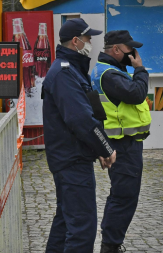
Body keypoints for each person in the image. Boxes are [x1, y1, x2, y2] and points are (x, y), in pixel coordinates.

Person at [42, 18, 117, 253]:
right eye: (88, 38)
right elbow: (81, 120)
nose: (91, 42)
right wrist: (105, 148)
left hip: (71, 158)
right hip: (71, 161)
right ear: (76, 41)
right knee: (82, 228)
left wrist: (97, 149)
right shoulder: (65, 73)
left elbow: (89, 112)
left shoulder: (72, 69)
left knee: (66, 222)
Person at [90, 30, 151, 253]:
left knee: (124, 194)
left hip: (125, 142)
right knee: (124, 195)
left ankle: (111, 243)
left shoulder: (112, 70)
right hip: (122, 145)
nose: (133, 54)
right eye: (129, 50)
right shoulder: (109, 74)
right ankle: (110, 246)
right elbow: (136, 94)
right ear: (116, 49)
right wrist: (140, 69)